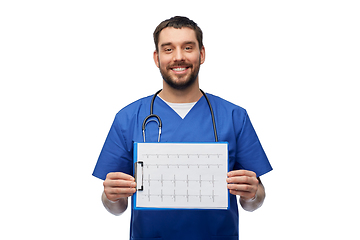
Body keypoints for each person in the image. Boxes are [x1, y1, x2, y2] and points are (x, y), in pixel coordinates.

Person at [93, 16, 272, 240]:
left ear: (202, 54)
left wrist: (252, 194)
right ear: (157, 58)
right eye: (168, 49)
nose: (179, 57)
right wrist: (111, 196)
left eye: (188, 47)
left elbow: (255, 201)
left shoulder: (234, 116)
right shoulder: (128, 118)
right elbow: (116, 207)